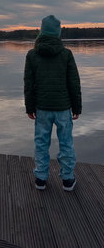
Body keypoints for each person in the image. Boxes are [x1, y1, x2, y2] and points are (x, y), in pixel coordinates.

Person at [24, 15, 82, 191]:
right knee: (66, 143)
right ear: (58, 32)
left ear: (41, 31)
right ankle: (67, 180)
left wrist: (30, 107)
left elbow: (29, 84)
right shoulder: (66, 54)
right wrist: (77, 107)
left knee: (41, 143)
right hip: (63, 108)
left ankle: (41, 179)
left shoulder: (32, 54)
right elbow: (74, 82)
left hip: (42, 108)